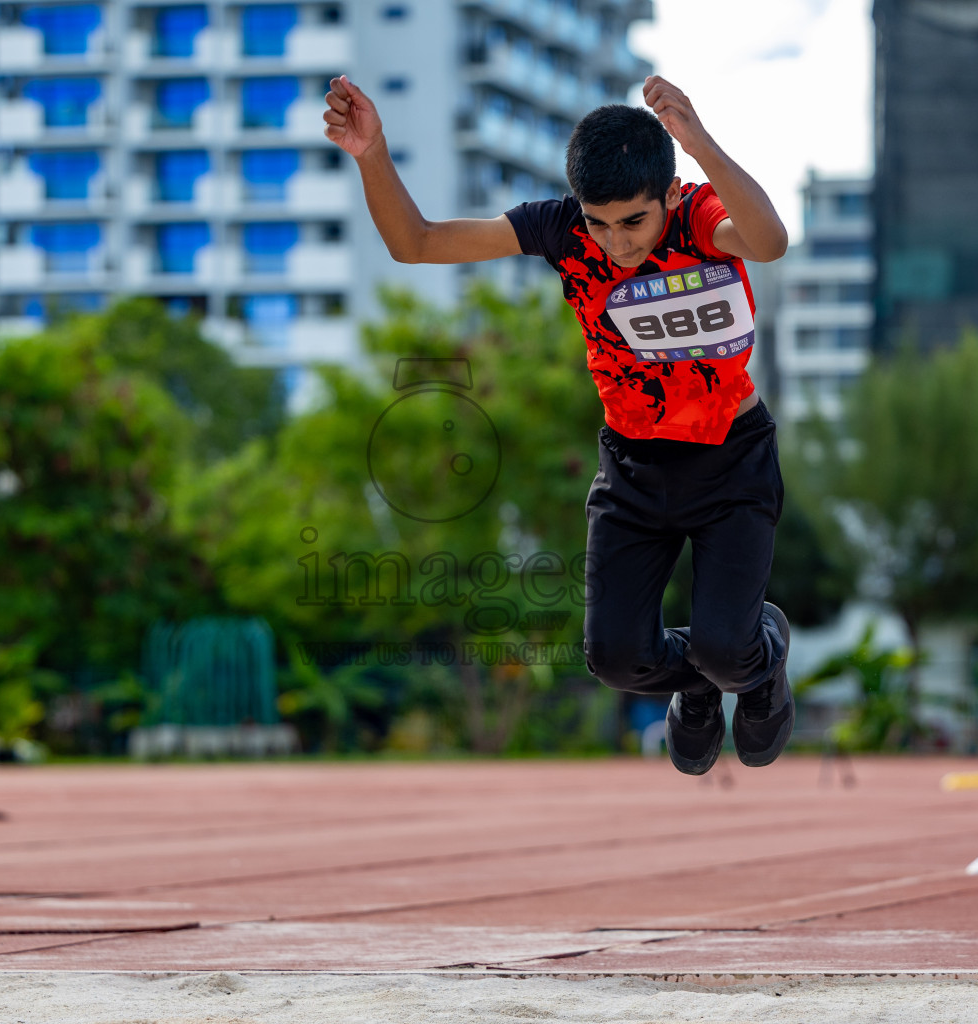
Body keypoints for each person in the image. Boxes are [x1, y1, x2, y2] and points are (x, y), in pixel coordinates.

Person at [323, 73, 793, 777]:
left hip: (731, 460)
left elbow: (770, 240)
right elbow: (416, 243)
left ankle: (757, 663)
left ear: (666, 193)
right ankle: (699, 685)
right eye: (599, 222)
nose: (615, 243)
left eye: (633, 221)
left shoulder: (697, 214)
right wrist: (372, 154)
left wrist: (698, 143)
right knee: (615, 659)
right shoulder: (561, 230)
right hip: (634, 467)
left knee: (731, 648)